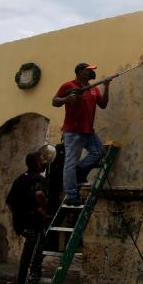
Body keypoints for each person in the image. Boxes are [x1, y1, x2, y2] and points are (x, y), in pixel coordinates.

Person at [52, 62, 111, 205]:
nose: (90, 72)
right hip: (73, 132)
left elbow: (103, 105)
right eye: (88, 70)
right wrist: (66, 99)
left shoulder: (94, 89)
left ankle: (79, 169)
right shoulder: (68, 86)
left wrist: (106, 87)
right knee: (70, 163)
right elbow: (54, 101)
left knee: (99, 152)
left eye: (91, 71)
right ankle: (71, 196)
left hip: (88, 131)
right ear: (79, 72)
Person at [6, 151, 49, 284]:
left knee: (26, 261)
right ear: (37, 164)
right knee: (28, 263)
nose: (44, 162)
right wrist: (44, 211)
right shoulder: (39, 179)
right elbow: (39, 194)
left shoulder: (20, 179)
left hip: (22, 225)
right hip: (33, 224)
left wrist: (19, 217)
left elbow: (10, 202)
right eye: (42, 160)